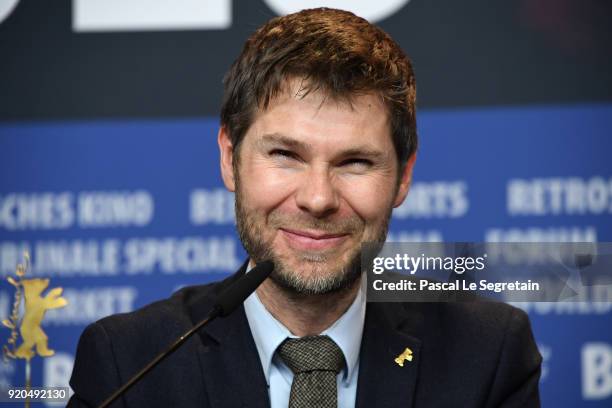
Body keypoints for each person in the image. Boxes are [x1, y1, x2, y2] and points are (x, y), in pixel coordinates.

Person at [68, 8, 541, 408]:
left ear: (405, 176)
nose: (318, 198)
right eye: (286, 156)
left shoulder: (488, 353)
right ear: (230, 158)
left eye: (355, 162)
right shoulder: (128, 364)